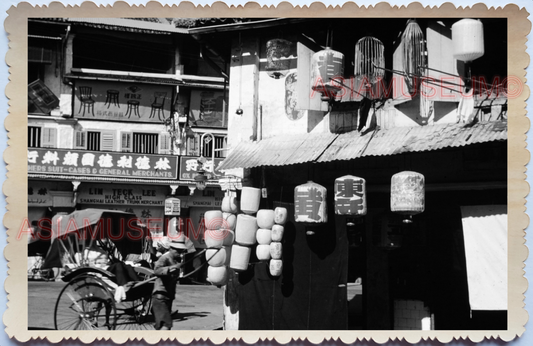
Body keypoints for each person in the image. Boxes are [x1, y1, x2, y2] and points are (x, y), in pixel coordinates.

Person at [151, 238, 187, 330]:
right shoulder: (164, 258)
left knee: (164, 326)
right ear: (171, 248)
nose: (180, 253)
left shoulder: (177, 259)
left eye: (181, 251)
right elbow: (157, 270)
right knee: (166, 325)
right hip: (160, 296)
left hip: (168, 296)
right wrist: (172, 268)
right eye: (178, 250)